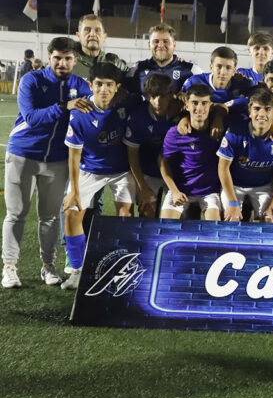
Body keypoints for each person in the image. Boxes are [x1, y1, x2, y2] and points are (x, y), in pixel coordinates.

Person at [2, 37, 92, 289]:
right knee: (16, 213)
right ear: (49, 56)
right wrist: (64, 106)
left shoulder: (81, 85)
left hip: (57, 160)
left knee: (50, 217)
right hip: (23, 153)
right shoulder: (32, 80)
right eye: (57, 57)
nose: (62, 62)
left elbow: (93, 111)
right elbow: (31, 118)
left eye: (68, 58)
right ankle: (9, 267)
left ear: (75, 59)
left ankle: (48, 265)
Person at [60, 63, 138, 290]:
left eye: (109, 85)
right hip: (89, 170)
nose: (104, 89)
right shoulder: (79, 113)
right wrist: (73, 190)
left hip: (121, 171)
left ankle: (123, 267)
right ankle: (77, 270)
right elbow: (73, 156)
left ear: (117, 87)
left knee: (125, 214)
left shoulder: (128, 104)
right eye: (99, 84)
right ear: (90, 85)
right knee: (72, 213)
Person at [218, 86, 273, 223]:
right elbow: (223, 168)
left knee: (272, 219)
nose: (262, 114)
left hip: (263, 186)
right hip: (235, 185)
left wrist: (272, 205)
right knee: (232, 219)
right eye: (257, 109)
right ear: (250, 112)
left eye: (267, 109)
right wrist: (233, 204)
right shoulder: (235, 133)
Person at [159, 84, 222, 220]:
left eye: (204, 103)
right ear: (187, 106)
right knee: (165, 228)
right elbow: (163, 163)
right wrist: (174, 191)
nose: (199, 108)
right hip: (181, 189)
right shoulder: (175, 133)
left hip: (209, 191)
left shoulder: (219, 131)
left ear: (211, 106)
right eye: (194, 103)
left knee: (213, 229)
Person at [124, 73, 181, 218]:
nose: (158, 101)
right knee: (146, 209)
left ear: (171, 95)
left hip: (175, 173)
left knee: (179, 213)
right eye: (153, 96)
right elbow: (132, 157)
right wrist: (142, 187)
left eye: (162, 96)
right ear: (147, 96)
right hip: (148, 171)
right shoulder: (138, 117)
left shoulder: (183, 113)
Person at [125, 23, 203, 93]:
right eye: (156, 41)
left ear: (174, 45)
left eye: (166, 41)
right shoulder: (137, 69)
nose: (161, 45)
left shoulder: (192, 70)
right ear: (149, 45)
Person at [183, 46, 254, 121]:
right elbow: (182, 104)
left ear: (234, 71)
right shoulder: (194, 82)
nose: (223, 72)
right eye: (219, 66)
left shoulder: (245, 84)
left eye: (228, 67)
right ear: (211, 67)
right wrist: (185, 119)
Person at [72, 14, 129, 79]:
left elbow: (134, 79)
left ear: (104, 37)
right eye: (87, 30)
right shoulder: (68, 63)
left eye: (97, 30)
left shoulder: (115, 64)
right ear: (78, 35)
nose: (92, 34)